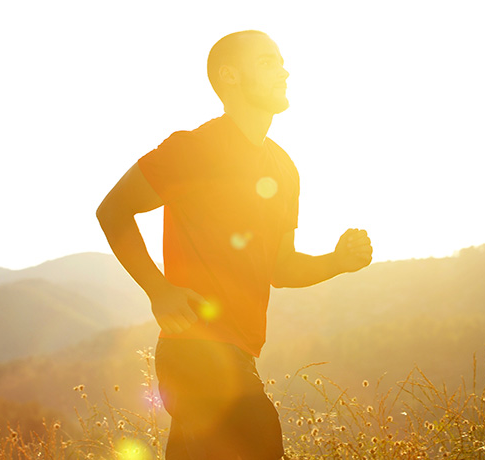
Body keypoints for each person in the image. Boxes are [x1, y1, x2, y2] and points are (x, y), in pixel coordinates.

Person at [96, 30, 372, 460]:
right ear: (229, 76)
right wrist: (159, 290)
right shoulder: (194, 149)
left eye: (280, 60)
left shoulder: (284, 168)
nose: (283, 69)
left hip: (238, 357)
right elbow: (112, 211)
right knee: (260, 437)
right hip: (195, 351)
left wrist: (337, 262)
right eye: (266, 62)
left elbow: (281, 268)